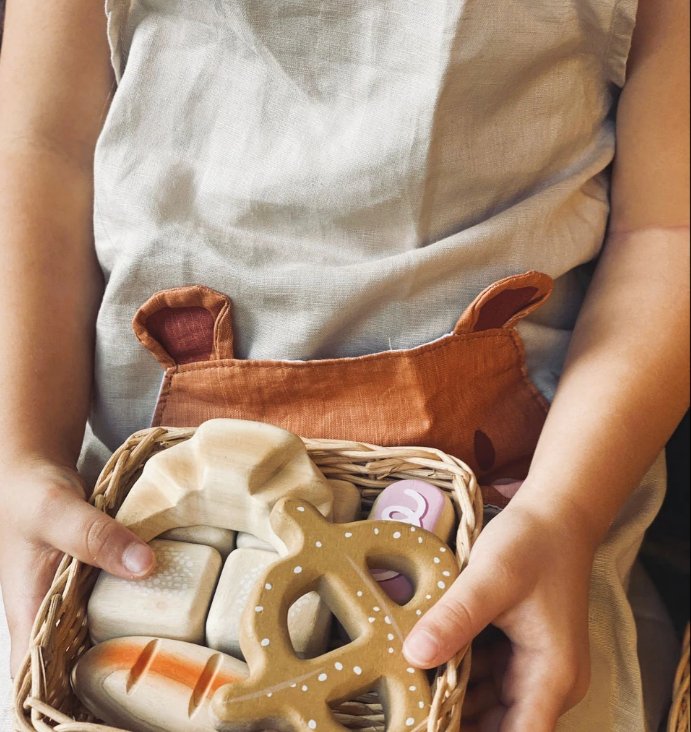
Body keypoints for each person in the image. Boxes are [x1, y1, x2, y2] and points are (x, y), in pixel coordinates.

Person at [0, 1, 688, 730]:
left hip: (524, 525)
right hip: (119, 508)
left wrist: (563, 515)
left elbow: (665, 229)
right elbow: (39, 153)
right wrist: (22, 455)